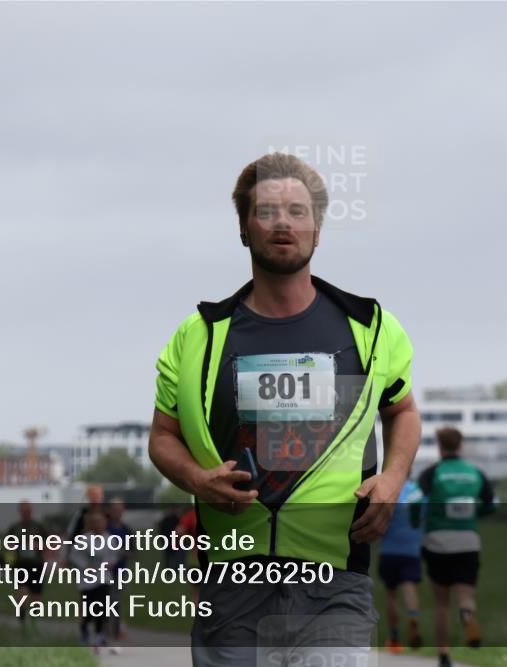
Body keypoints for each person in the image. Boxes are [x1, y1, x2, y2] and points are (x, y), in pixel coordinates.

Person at [149, 152, 421, 666]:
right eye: (267, 211)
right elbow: (162, 436)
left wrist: (393, 478)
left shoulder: (371, 328)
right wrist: (196, 479)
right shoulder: (198, 336)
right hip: (232, 580)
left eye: (298, 212)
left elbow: (402, 412)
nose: (283, 223)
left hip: (334, 579)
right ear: (244, 230)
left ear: (318, 231)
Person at [417, 426, 496, 667]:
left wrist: (417, 521)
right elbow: (490, 505)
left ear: (439, 447)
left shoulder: (431, 473)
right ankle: (467, 615)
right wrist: (474, 515)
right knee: (466, 596)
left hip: (437, 542)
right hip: (467, 542)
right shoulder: (476, 473)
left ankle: (443, 655)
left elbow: (419, 502)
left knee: (441, 604)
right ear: (460, 446)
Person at [378, 480, 425, 653]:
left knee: (391, 596)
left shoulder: (389, 488)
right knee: (409, 588)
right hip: (412, 549)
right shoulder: (418, 491)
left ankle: (395, 638)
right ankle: (413, 618)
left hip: (389, 550)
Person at [69, 510, 122, 654]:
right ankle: (84, 628)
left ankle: (99, 636)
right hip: (87, 581)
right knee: (89, 611)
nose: (99, 525)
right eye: (96, 522)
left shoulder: (110, 539)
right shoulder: (83, 539)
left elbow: (113, 556)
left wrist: (109, 564)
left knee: (102, 608)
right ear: (92, 524)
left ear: (105, 524)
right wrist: (85, 566)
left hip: (103, 578)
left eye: (102, 522)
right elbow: (74, 556)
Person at [4, 500, 48, 631]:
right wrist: (16, 546)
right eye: (24, 510)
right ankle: (22, 621)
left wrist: (37, 545)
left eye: (28, 510)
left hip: (36, 564)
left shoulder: (38, 526)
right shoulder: (14, 527)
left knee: (36, 596)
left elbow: (48, 544)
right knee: (21, 594)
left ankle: (35, 623)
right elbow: (7, 545)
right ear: (20, 511)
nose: (26, 513)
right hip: (20, 564)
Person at [106, 497, 133, 642]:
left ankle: (115, 633)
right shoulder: (105, 529)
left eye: (119, 510)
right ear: (109, 511)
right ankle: (105, 630)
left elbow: (134, 553)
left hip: (119, 572)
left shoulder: (126, 531)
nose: (117, 512)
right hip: (103, 572)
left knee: (115, 602)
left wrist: (122, 552)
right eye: (114, 510)